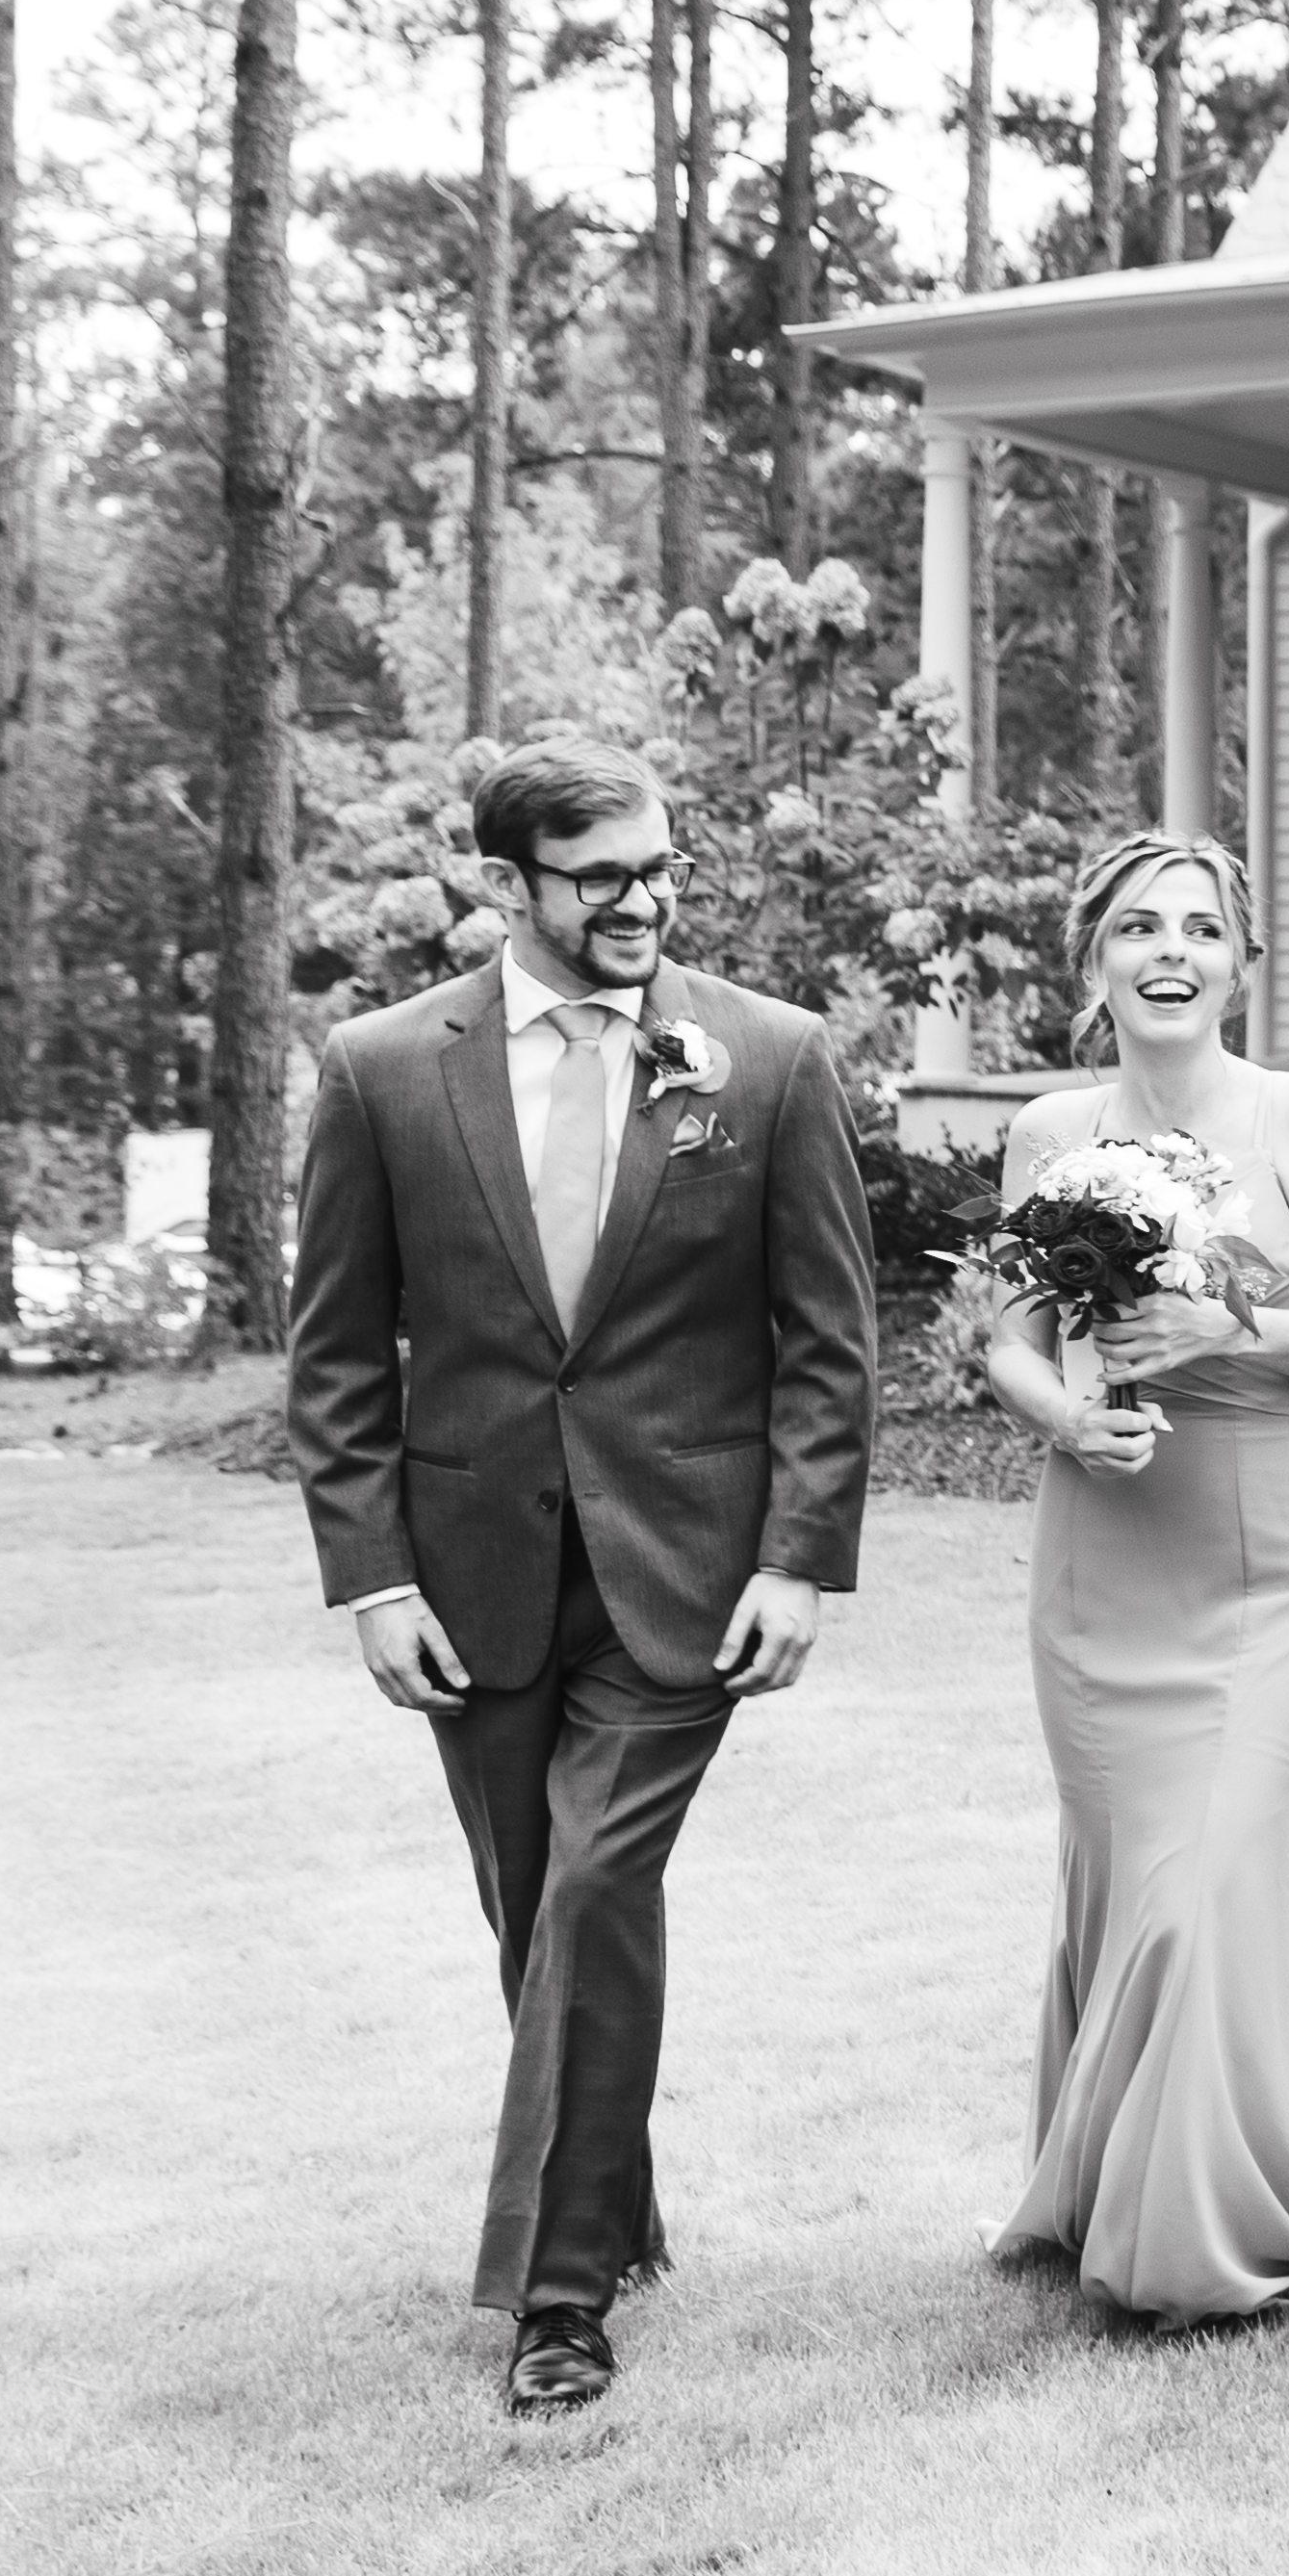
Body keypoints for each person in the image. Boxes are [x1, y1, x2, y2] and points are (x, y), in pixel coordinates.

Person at [277, 731, 879, 2418]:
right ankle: (619, 2208)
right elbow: (337, 1353)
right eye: (600, 876)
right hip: (469, 1571)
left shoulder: (768, 1057)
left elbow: (829, 1341)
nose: (643, 901)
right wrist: (371, 1577)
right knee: (532, 1903)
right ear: (502, 883)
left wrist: (799, 1558)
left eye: (659, 868)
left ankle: (556, 2297)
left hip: (683, 1566)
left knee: (596, 1882)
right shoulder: (382, 1071)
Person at [975, 833, 1289, 2316]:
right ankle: (1139, 2179)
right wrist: (1067, 1416)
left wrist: (1222, 1328)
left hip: (1283, 1556)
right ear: (1095, 960)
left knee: (1210, 1872)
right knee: (1145, 1874)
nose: (1170, 952)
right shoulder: (1048, 1130)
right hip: (1105, 1552)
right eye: (1138, 928)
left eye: (1199, 928)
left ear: (1241, 962)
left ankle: (1197, 2224)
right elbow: (1004, 1340)